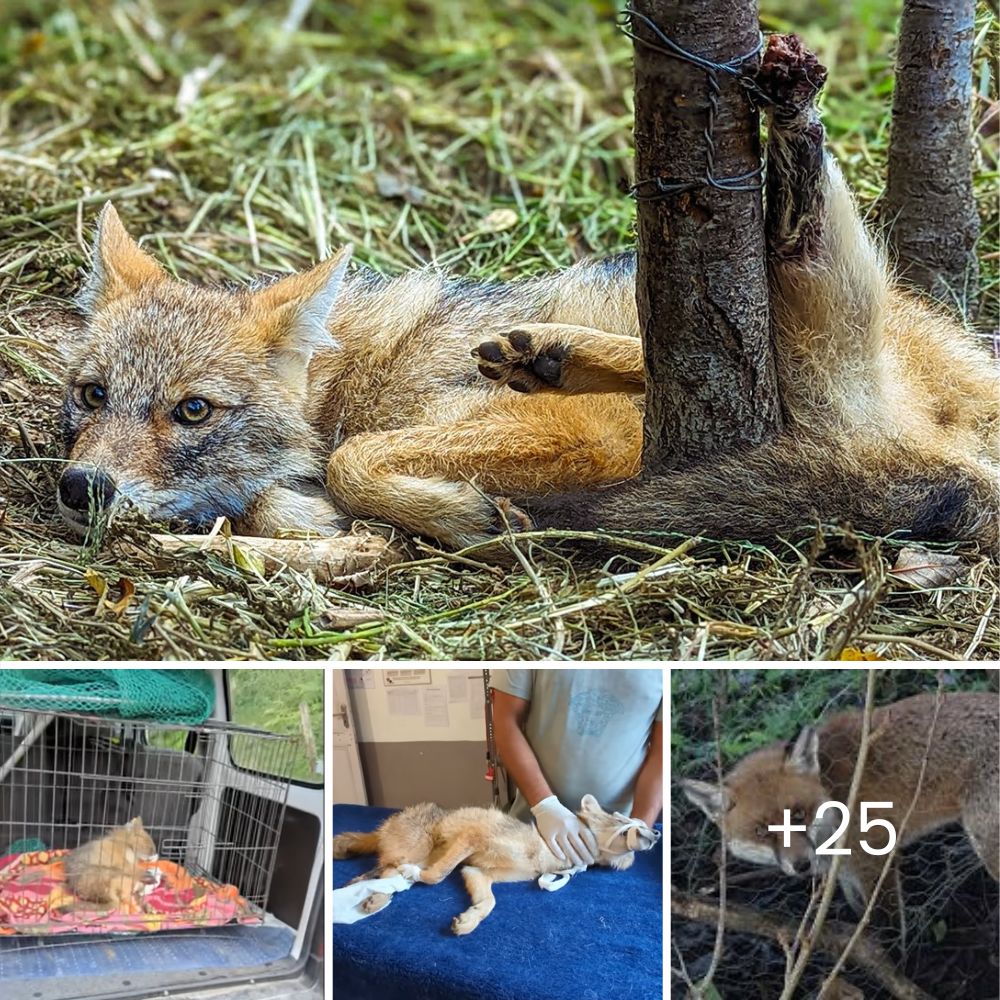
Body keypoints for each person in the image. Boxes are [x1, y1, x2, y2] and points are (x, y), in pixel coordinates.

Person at [490, 668, 663, 869]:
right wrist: (545, 806)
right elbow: (505, 721)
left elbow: (661, 751)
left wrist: (638, 827)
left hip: (614, 844)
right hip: (532, 832)